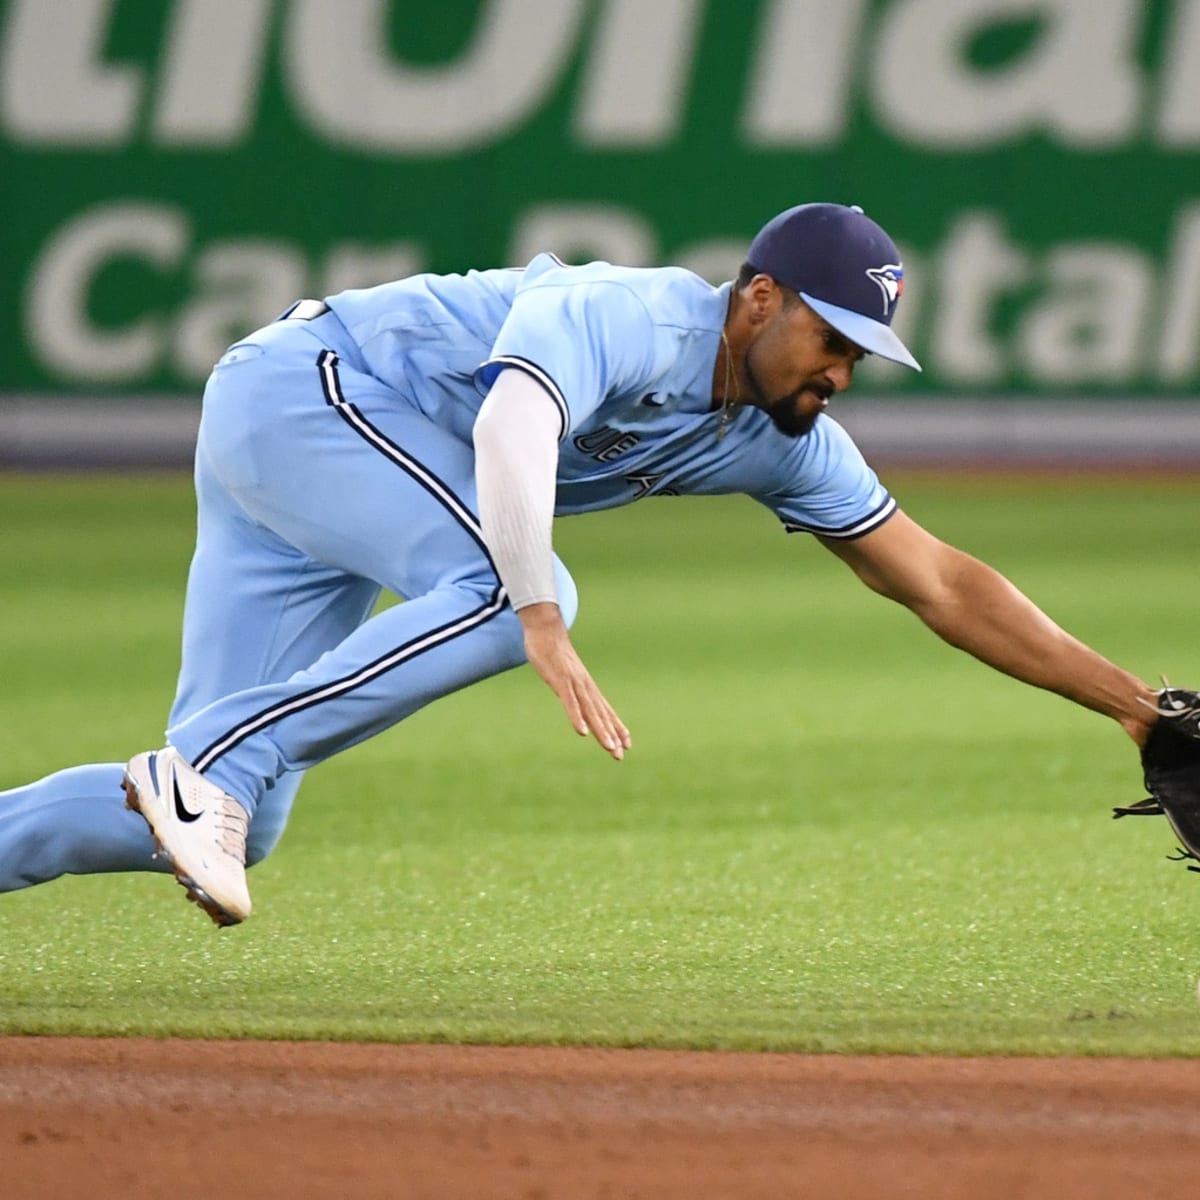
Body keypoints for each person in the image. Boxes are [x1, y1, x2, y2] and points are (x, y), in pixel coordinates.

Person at [0, 203, 1161, 927]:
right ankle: (208, 764)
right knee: (501, 594)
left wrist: (1138, 714)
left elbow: (943, 580)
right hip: (311, 393)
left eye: (864, 357)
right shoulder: (633, 314)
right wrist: (540, 614)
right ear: (759, 298)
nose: (842, 376)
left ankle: (171, 786)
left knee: (234, 825)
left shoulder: (782, 436)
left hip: (344, 471)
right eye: (832, 341)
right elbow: (513, 427)